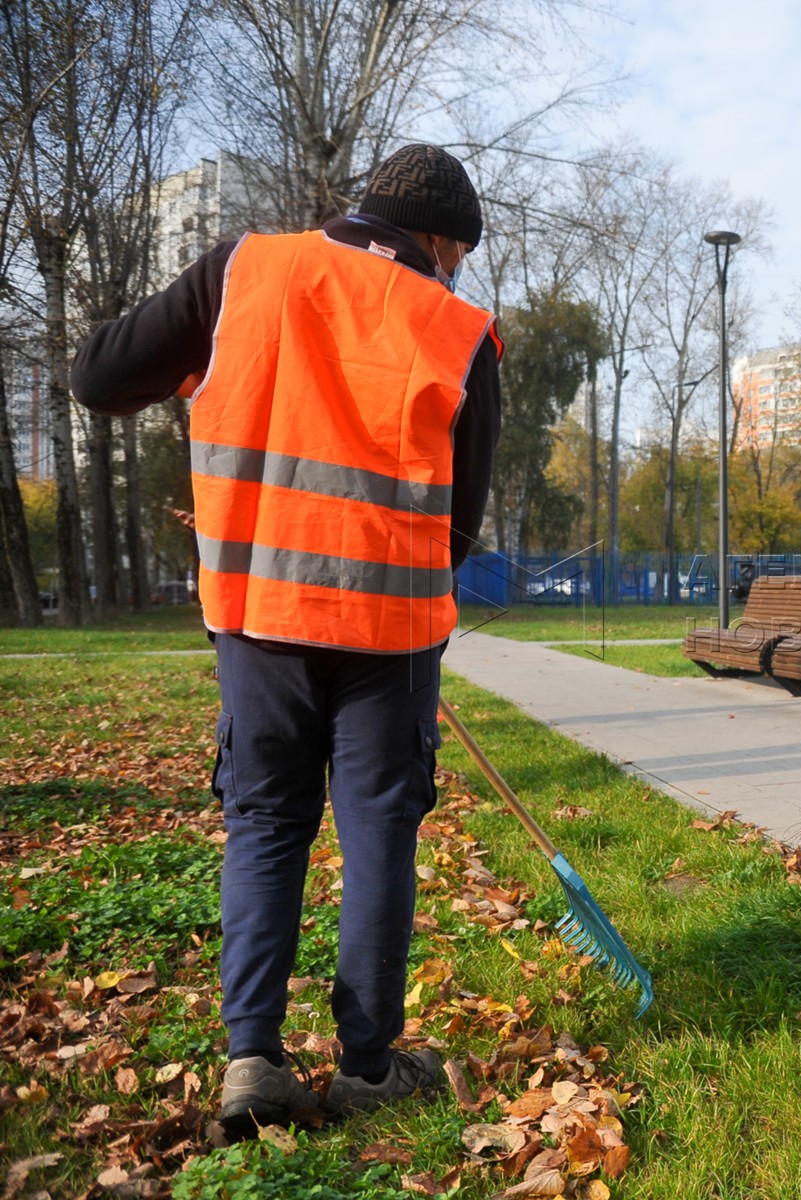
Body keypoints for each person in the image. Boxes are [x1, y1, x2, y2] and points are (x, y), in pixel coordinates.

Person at [71, 144, 503, 1138]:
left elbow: (99, 378)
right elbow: (461, 524)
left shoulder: (243, 270)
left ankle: (252, 1060)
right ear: (441, 239)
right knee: (378, 832)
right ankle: (365, 1065)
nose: (459, 273)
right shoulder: (457, 326)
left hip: (259, 617)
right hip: (390, 634)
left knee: (266, 822)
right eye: (460, 255)